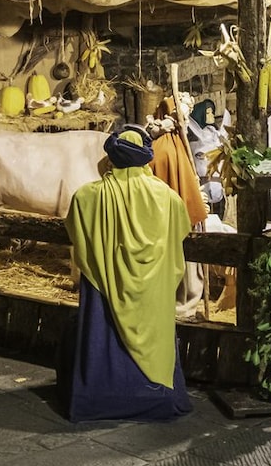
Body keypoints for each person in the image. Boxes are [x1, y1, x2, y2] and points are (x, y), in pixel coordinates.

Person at [61, 126, 192, 422]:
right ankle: (156, 396)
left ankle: (98, 399)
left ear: (112, 156)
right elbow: (181, 229)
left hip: (105, 288)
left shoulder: (87, 197)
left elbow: (75, 229)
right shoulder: (168, 198)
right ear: (145, 157)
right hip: (153, 292)